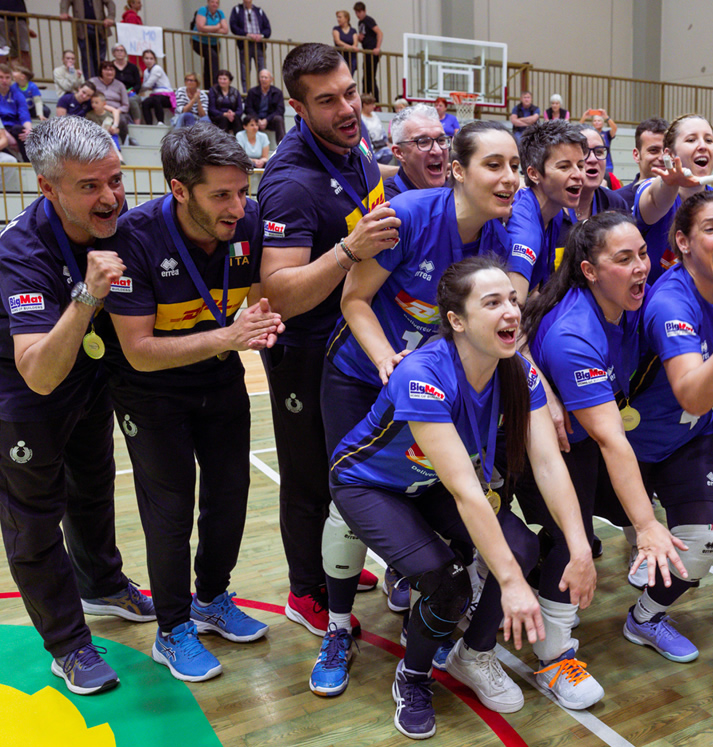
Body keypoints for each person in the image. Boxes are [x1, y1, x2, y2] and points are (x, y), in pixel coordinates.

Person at [330, 257, 585, 738]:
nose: (511, 311)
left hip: (428, 483)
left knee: (523, 546)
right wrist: (511, 584)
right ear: (457, 321)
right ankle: (414, 676)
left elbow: (550, 464)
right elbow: (467, 491)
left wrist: (577, 545)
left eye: (512, 299)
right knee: (449, 584)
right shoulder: (423, 374)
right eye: (492, 303)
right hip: (369, 484)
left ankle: (474, 655)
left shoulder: (518, 374)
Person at [316, 121, 517, 695]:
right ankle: (336, 628)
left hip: (429, 384)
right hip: (361, 371)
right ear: (457, 170)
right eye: (493, 165)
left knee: (429, 476)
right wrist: (388, 362)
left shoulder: (496, 244)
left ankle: (415, 576)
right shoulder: (406, 216)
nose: (508, 179)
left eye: (514, 167)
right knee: (350, 500)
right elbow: (353, 298)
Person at [102, 123, 282, 682]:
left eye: (241, 191)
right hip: (151, 391)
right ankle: (172, 629)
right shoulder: (133, 238)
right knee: (171, 510)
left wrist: (259, 326)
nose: (237, 207)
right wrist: (230, 337)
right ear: (180, 190)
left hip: (220, 378)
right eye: (220, 195)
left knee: (230, 499)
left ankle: (212, 598)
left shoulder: (248, 224)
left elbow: (261, 298)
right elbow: (137, 351)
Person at [0, 116, 156, 697]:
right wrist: (88, 295)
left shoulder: (117, 222)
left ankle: (102, 584)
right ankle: (67, 643)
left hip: (89, 383)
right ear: (49, 188)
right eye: (90, 186)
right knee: (34, 520)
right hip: (24, 395)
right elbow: (38, 373)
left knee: (91, 489)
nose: (111, 196)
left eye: (114, 179)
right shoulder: (19, 251)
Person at [257, 43, 398, 637]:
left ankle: (332, 561)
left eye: (350, 93)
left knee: (348, 464)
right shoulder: (290, 182)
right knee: (309, 473)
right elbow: (280, 292)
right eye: (327, 100)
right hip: (302, 352)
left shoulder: (355, 147)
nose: (346, 108)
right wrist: (348, 251)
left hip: (349, 344)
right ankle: (304, 588)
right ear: (297, 106)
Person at [516, 211, 685, 705]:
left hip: (583, 438)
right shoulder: (574, 333)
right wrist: (647, 524)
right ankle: (553, 657)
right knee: (572, 543)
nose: (641, 268)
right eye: (623, 259)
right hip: (540, 449)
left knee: (596, 527)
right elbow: (612, 440)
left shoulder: (627, 303)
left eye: (642, 255)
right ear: (589, 271)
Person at [622, 191, 713, 662]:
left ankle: (644, 618)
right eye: (711, 227)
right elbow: (693, 394)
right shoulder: (670, 303)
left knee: (700, 543)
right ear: (682, 242)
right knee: (571, 540)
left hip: (687, 440)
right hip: (627, 446)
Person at [633, 113, 713, 287]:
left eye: (709, 140)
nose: (703, 146)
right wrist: (670, 183)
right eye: (691, 140)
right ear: (669, 154)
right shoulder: (653, 187)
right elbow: (655, 201)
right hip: (658, 308)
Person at [505, 120, 587, 297]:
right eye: (564, 166)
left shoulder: (555, 213)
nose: (578, 175)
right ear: (534, 174)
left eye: (580, 165)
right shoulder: (524, 229)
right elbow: (514, 304)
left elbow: (534, 292)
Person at [560, 124, 629, 241]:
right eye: (584, 151)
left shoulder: (616, 204)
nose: (593, 159)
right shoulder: (549, 208)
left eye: (599, 152)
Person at [386, 103, 449, 198]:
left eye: (441, 140)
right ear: (399, 153)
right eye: (423, 142)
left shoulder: (457, 189)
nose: (438, 151)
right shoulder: (388, 203)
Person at [614, 117, 666, 207]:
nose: (662, 158)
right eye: (653, 150)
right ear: (636, 155)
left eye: (667, 151)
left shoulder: (684, 197)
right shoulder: (617, 200)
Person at [60, 0, 115, 81]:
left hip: (99, 27)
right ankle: (91, 83)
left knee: (100, 58)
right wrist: (64, 12)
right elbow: (65, 1)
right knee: (86, 58)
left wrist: (110, 17)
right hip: (82, 28)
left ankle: (101, 82)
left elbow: (110, 3)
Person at [229, 0, 270, 84]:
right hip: (245, 45)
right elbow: (233, 26)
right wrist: (246, 34)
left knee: (262, 70)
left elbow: (268, 28)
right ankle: (246, 92)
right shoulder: (237, 10)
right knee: (245, 71)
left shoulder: (259, 11)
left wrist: (261, 36)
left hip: (259, 45)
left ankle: (262, 91)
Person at [88, 60, 129, 142]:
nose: (109, 72)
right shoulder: (93, 82)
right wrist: (103, 107)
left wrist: (116, 111)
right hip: (98, 109)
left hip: (116, 112)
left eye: (112, 70)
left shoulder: (120, 85)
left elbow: (125, 105)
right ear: (101, 71)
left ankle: (124, 142)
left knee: (123, 120)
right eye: (106, 69)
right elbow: (88, 96)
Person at [193, 0, 229, 91]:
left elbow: (225, 30)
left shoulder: (220, 13)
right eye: (212, 2)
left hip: (214, 43)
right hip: (199, 41)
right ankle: (216, 86)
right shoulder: (203, 10)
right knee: (213, 58)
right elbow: (200, 27)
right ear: (208, 2)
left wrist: (208, 29)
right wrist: (217, 27)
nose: (215, 4)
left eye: (217, 3)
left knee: (209, 64)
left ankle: (208, 88)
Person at [0, 62, 32, 160]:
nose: (4, 80)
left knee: (23, 132)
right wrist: (5, 134)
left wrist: (29, 131)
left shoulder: (18, 95)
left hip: (13, 127)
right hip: (1, 127)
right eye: (1, 77)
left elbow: (24, 115)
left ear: (11, 79)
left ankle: (28, 164)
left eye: (7, 77)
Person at [243, 67, 284, 142]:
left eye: (266, 77)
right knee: (248, 119)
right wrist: (257, 119)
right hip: (255, 119)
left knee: (279, 119)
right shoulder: (252, 92)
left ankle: (282, 145)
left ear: (271, 79)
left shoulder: (277, 92)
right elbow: (248, 108)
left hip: (270, 120)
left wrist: (266, 120)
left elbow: (280, 110)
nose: (263, 79)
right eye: (261, 77)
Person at [107, 42, 142, 124]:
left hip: (131, 94)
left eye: (122, 50)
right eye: (117, 50)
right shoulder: (110, 67)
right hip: (115, 93)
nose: (119, 52)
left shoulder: (133, 67)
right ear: (113, 53)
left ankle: (137, 125)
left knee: (131, 101)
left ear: (125, 54)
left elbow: (138, 85)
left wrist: (127, 92)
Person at [138, 49, 173, 126]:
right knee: (145, 103)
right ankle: (149, 124)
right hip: (155, 94)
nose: (149, 61)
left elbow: (148, 85)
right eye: (146, 58)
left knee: (157, 100)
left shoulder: (157, 68)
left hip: (166, 95)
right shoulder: (146, 71)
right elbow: (145, 85)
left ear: (155, 60)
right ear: (143, 59)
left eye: (151, 58)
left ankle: (161, 122)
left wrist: (137, 89)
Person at [353, 2, 380, 99]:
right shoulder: (360, 23)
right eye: (356, 12)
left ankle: (375, 100)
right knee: (366, 77)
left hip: (372, 52)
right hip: (367, 52)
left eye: (359, 12)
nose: (358, 14)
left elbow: (379, 33)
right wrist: (359, 38)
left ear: (364, 11)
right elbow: (364, 37)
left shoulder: (368, 20)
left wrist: (377, 47)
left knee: (370, 77)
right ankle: (366, 98)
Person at [581, 109, 617, 182]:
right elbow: (577, 131)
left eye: (599, 121)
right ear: (592, 123)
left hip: (607, 164)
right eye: (595, 121)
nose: (597, 122)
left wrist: (606, 117)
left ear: (603, 123)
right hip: (591, 162)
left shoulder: (607, 134)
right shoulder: (589, 135)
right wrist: (584, 117)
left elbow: (614, 128)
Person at [84, 91, 122, 157]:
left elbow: (117, 130)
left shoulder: (110, 116)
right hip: (95, 136)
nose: (93, 105)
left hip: (108, 136)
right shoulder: (89, 115)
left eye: (96, 103)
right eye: (92, 102)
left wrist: (113, 130)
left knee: (113, 139)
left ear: (104, 103)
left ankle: (119, 158)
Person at [209, 68, 243, 134]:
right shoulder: (213, 90)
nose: (222, 81)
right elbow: (212, 109)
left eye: (224, 79)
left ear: (229, 81)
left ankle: (239, 141)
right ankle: (224, 142)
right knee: (224, 119)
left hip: (232, 116)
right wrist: (224, 114)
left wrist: (233, 114)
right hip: (218, 116)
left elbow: (240, 109)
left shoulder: (235, 91)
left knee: (237, 119)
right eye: (220, 79)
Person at [359, 92, 389, 162]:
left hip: (381, 146)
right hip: (370, 148)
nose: (374, 106)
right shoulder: (361, 118)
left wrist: (387, 142)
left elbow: (382, 130)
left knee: (388, 154)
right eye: (371, 104)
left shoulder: (375, 115)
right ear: (364, 105)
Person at [331, 10, 358, 77]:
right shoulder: (336, 29)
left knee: (349, 76)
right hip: (340, 57)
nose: (338, 19)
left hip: (351, 57)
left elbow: (355, 43)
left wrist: (352, 47)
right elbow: (338, 41)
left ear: (346, 18)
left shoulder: (353, 30)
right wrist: (348, 47)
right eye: (337, 17)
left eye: (340, 17)